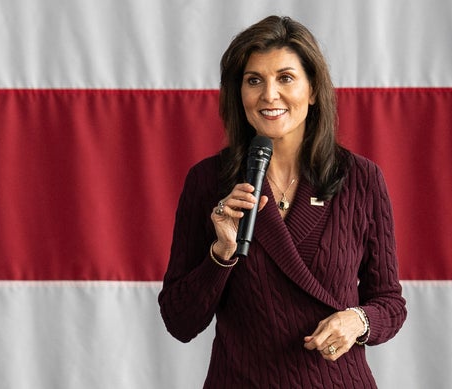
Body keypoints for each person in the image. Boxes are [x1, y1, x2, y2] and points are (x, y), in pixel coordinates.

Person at [158, 15, 406, 388]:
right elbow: (179, 322)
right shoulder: (209, 181)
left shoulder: (361, 178)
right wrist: (221, 253)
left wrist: (358, 320)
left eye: (285, 78)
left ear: (312, 89)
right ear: (238, 93)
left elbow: (389, 301)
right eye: (254, 80)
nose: (269, 95)